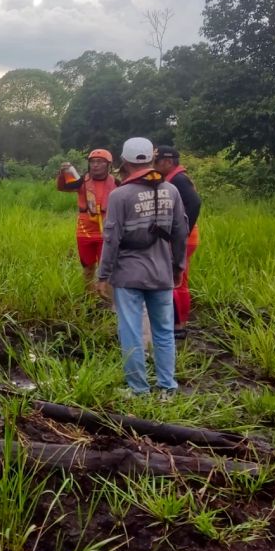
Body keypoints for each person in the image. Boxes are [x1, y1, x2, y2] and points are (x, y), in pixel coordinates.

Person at [97, 137, 188, 397]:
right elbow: (180, 231)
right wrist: (178, 266)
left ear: (124, 162)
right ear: (151, 158)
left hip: (128, 275)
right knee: (164, 331)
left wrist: (103, 275)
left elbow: (111, 238)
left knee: (131, 331)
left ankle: (138, 389)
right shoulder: (170, 190)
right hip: (162, 273)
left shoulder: (120, 195)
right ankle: (167, 388)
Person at [154, 146, 202, 339]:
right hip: (183, 237)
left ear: (167, 161)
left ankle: (179, 326)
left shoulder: (179, 179)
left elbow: (195, 203)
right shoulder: (174, 178)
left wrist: (181, 233)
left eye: (156, 162)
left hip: (184, 238)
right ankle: (178, 324)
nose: (154, 166)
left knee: (177, 282)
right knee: (178, 280)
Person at [56, 149, 118, 292]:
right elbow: (62, 187)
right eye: (93, 162)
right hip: (85, 231)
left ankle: (106, 303)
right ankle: (88, 301)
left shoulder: (117, 183)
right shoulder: (80, 181)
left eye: (100, 162)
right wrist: (62, 173)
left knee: (107, 269)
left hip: (107, 231)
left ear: (108, 165)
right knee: (87, 268)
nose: (95, 165)